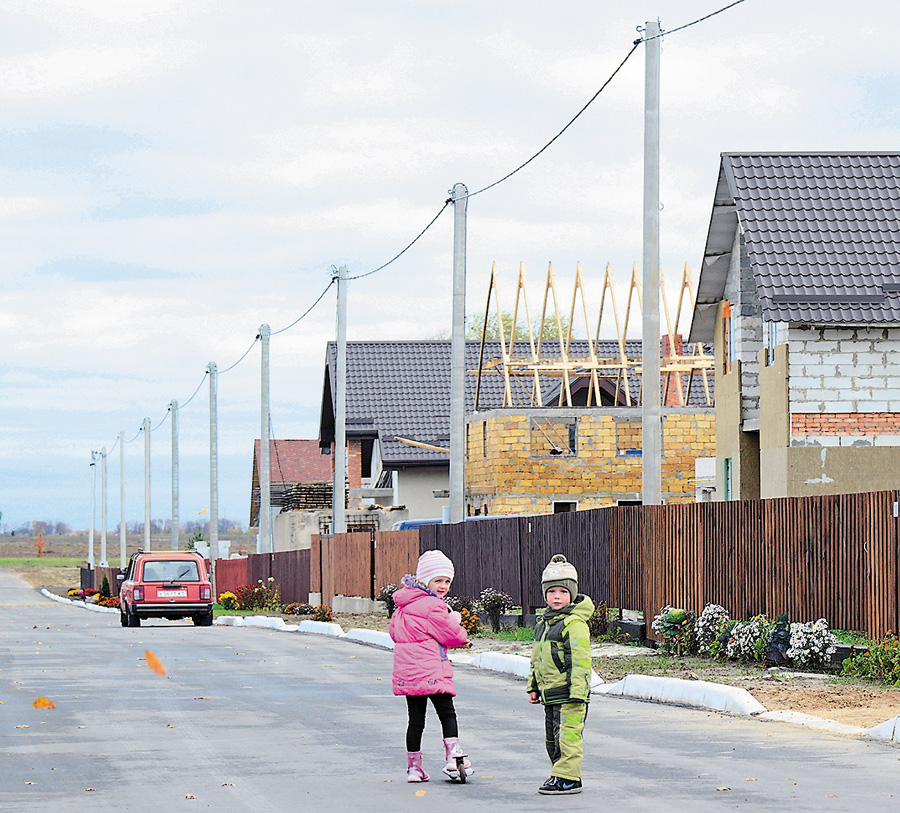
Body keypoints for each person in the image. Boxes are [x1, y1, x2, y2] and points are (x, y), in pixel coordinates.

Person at [389, 549, 473, 783]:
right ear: (424, 580)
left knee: (415, 720)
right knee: (447, 713)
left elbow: (394, 633)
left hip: (409, 673)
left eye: (447, 581)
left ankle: (414, 769)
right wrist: (456, 623)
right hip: (433, 671)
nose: (443, 585)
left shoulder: (402, 606)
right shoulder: (434, 606)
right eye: (438, 580)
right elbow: (451, 635)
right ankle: (452, 758)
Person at [527, 553, 594, 795]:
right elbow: (537, 658)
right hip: (551, 693)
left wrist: (578, 692)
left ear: (572, 594)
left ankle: (569, 778)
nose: (557, 596)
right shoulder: (544, 623)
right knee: (553, 738)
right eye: (552, 591)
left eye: (563, 592)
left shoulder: (574, 624)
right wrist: (533, 686)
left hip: (570, 694)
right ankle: (558, 773)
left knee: (568, 737)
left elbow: (580, 661)